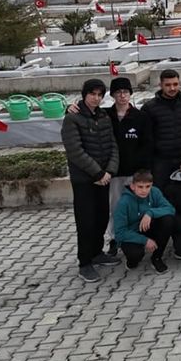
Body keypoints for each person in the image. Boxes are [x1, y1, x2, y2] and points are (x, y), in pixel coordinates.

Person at [61, 79, 121, 282]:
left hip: (103, 178)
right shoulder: (73, 118)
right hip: (85, 180)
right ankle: (85, 262)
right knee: (86, 221)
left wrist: (109, 171)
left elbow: (113, 146)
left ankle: (97, 253)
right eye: (92, 94)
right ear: (84, 94)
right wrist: (97, 173)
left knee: (102, 217)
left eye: (99, 95)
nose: (96, 98)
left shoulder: (103, 116)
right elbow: (75, 151)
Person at [103, 77, 152, 257]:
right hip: (114, 172)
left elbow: (147, 145)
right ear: (113, 95)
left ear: (131, 94)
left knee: (136, 205)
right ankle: (115, 238)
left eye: (125, 92)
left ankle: (137, 234)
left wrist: (143, 171)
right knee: (116, 207)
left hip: (135, 172)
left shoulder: (140, 117)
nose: (122, 96)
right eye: (118, 92)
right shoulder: (105, 116)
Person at [142, 69, 181, 189]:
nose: (172, 88)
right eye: (168, 85)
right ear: (160, 85)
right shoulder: (149, 108)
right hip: (162, 161)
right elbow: (147, 138)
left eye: (175, 84)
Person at [113, 170, 175, 274]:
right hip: (131, 233)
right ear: (133, 186)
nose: (144, 190)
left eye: (147, 186)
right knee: (135, 255)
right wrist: (145, 240)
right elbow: (120, 233)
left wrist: (150, 213)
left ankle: (156, 258)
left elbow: (170, 209)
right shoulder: (123, 203)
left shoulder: (155, 192)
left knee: (168, 220)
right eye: (140, 187)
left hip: (148, 227)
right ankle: (131, 261)